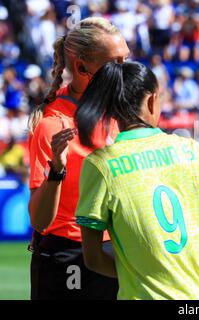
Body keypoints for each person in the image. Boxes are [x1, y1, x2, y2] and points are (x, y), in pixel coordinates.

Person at [74, 61, 199, 300]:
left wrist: (139, 272)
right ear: (151, 101)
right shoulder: (193, 150)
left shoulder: (99, 164)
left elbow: (92, 259)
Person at [27, 17, 130, 300]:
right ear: (82, 66)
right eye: (116, 63)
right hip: (69, 256)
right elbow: (39, 220)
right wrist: (57, 171)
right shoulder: (53, 124)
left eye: (126, 59)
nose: (126, 71)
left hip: (114, 249)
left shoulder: (122, 112)